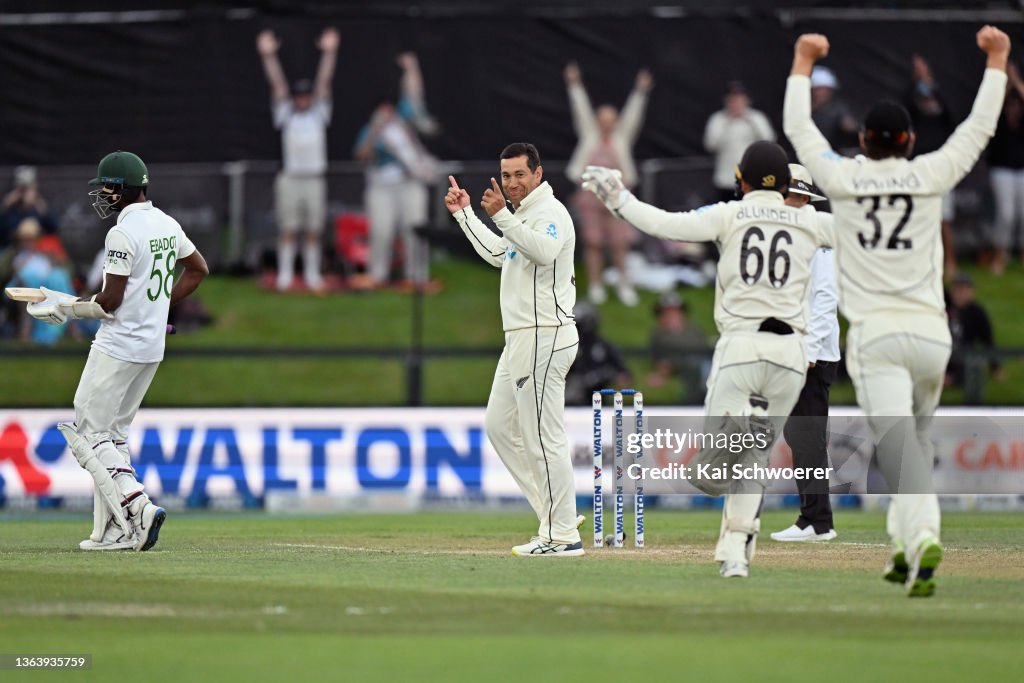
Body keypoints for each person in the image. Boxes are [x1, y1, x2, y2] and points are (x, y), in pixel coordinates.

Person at [783, 27, 1010, 597]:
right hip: (934, 335)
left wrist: (802, 61)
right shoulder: (930, 172)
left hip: (879, 339)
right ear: (908, 140)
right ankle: (902, 546)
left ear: (862, 138)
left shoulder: (845, 177)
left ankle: (924, 537)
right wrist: (998, 60)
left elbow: (798, 129)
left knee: (902, 451)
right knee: (918, 443)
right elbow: (979, 128)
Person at [583, 141, 834, 578]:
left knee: (707, 472)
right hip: (790, 354)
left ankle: (736, 536)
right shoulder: (810, 221)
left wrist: (618, 198)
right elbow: (870, 234)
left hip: (740, 347)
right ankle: (735, 551)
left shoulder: (729, 214)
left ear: (742, 180)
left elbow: (663, 224)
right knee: (755, 455)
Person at [24, 151, 209, 551]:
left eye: (106, 187)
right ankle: (111, 530)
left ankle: (138, 508)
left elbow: (109, 300)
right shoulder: (166, 223)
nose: (102, 195)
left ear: (123, 189)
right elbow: (197, 270)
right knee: (114, 436)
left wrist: (66, 308)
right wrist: (159, 309)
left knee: (89, 432)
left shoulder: (121, 233)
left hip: (119, 344)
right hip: (150, 347)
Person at [445, 142, 583, 557]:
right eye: (506, 176)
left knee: (543, 436)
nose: (512, 182)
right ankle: (554, 512)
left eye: (520, 174)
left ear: (538, 174)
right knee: (499, 426)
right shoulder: (521, 216)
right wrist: (465, 214)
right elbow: (499, 254)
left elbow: (541, 252)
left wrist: (501, 214)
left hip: (545, 334)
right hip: (522, 337)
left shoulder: (550, 213)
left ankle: (563, 537)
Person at [771, 164, 841, 543]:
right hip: (795, 348)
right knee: (799, 436)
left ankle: (819, 522)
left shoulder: (818, 231)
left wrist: (811, 348)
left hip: (814, 353)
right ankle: (811, 517)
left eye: (791, 197)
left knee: (808, 437)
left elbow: (826, 295)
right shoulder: (791, 232)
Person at [257, 27, 339, 292]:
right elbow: (277, 85)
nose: (303, 100)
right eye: (299, 96)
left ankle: (313, 275)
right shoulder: (286, 114)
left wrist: (330, 52)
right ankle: (285, 275)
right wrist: (268, 56)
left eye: (307, 96)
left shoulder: (319, 114)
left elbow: (324, 82)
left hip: (314, 178)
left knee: (314, 230)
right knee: (289, 229)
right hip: (290, 179)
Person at [564, 62, 652, 306]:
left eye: (611, 120)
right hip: (590, 198)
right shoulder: (589, 135)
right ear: (598, 121)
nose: (606, 124)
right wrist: (574, 84)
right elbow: (580, 109)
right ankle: (595, 285)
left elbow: (633, 115)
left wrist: (641, 91)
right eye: (602, 120)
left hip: (617, 197)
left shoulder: (621, 138)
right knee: (592, 242)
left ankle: (625, 285)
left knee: (620, 243)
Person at [355, 53, 440, 290]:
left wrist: (412, 69)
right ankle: (378, 275)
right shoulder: (371, 131)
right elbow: (362, 154)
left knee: (415, 229)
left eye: (389, 109)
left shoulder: (403, 124)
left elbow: (413, 95)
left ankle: (416, 275)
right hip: (381, 187)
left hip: (409, 183)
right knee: (381, 231)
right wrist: (375, 130)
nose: (387, 114)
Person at [905, 55, 958, 280]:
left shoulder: (940, 96)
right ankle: (921, 262)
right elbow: (907, 114)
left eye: (923, 68)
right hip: (917, 166)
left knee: (943, 217)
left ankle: (950, 260)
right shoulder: (909, 96)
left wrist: (930, 86)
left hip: (939, 164)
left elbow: (950, 118)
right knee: (919, 217)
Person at [704, 81, 776, 203]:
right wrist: (728, 122)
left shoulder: (757, 118)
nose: (736, 103)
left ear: (747, 100)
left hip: (752, 180)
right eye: (732, 100)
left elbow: (769, 140)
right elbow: (710, 145)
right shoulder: (718, 119)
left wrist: (749, 120)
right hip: (725, 180)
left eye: (739, 99)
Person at [986, 61, 1024, 275]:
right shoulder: (998, 105)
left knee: (1023, 213)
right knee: (1006, 214)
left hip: (1021, 167)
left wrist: (1016, 80)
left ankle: (1021, 254)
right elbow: (992, 108)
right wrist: (1007, 82)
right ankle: (1000, 255)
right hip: (1001, 167)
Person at [645, 291, 710, 405]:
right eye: (666, 313)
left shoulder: (694, 329)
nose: (671, 316)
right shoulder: (658, 335)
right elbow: (661, 360)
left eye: (674, 312)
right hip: (685, 366)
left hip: (702, 362)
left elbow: (703, 348)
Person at [946, 272, 1001, 403]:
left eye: (963, 289)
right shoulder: (943, 308)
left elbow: (987, 341)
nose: (959, 293)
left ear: (971, 292)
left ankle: (950, 380)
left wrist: (995, 368)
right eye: (956, 289)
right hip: (943, 354)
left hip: (963, 357)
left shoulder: (977, 313)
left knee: (973, 368)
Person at [565, 301, 631, 405]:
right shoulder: (569, 347)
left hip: (598, 401)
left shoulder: (604, 347)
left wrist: (605, 375)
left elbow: (623, 375)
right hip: (572, 401)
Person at [0, 166, 59, 249]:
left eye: (27, 188)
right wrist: (5, 207)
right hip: (12, 251)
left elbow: (53, 228)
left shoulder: (40, 206)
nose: (24, 192)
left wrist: (43, 210)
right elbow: (3, 231)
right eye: (21, 188)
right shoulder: (10, 208)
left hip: (38, 251)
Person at [809, 66, 859, 155]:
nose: (822, 93)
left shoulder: (838, 109)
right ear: (811, 90)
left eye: (826, 90)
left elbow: (851, 128)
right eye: (819, 89)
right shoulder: (801, 108)